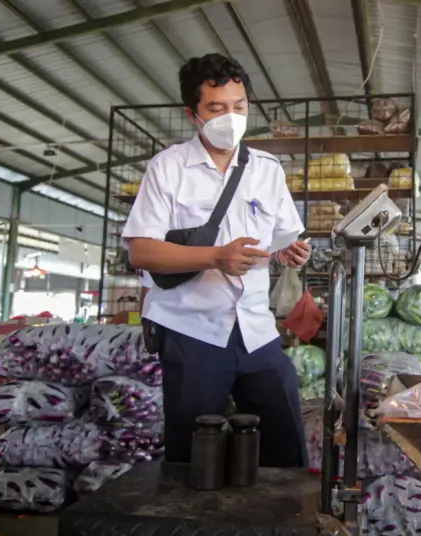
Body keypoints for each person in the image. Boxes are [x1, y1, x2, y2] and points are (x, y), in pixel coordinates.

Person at [121, 53, 311, 466]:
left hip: (256, 330)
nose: (231, 117)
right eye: (217, 108)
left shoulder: (267, 168)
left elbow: (280, 238)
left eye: (239, 107)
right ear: (193, 114)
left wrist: (286, 252)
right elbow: (141, 251)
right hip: (192, 331)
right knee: (192, 453)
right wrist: (215, 257)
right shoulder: (169, 168)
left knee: (285, 445)